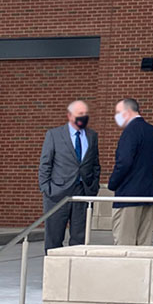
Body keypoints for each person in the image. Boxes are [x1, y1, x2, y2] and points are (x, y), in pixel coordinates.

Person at [37, 100, 100, 249]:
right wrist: (47, 188)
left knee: (79, 238)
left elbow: (95, 164)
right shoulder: (54, 134)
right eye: (80, 114)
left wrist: (93, 186)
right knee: (54, 237)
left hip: (83, 191)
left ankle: (75, 269)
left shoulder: (92, 136)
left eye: (85, 114)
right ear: (69, 115)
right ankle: (54, 270)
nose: (83, 117)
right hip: (57, 193)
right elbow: (45, 163)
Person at [107, 97, 153, 246]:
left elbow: (124, 161)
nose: (116, 116)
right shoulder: (152, 131)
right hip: (148, 193)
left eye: (118, 112)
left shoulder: (130, 131)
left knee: (124, 243)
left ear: (127, 111)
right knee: (144, 243)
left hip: (129, 194)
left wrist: (113, 183)